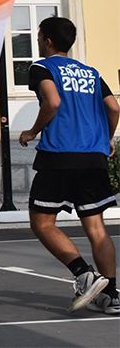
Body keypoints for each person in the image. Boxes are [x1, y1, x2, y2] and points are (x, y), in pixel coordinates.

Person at [19, 16, 120, 314]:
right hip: (94, 157)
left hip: (60, 155)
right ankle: (111, 296)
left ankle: (84, 275)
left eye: (39, 37)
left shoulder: (42, 66)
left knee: (41, 222)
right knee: (96, 228)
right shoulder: (91, 72)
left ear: (48, 41)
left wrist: (32, 131)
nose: (37, 42)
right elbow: (113, 107)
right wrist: (107, 138)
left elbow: (52, 102)